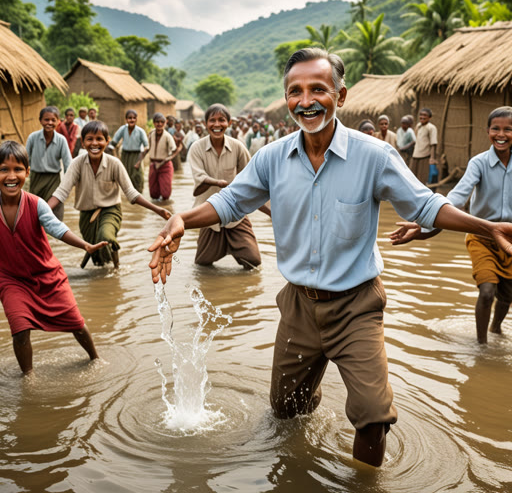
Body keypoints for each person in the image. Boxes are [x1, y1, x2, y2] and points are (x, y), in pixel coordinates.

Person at [148, 48, 512, 467]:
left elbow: (426, 205)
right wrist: (182, 219)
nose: (306, 101)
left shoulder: (373, 155)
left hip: (357, 306)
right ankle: (305, 418)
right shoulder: (271, 157)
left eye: (317, 89)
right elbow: (232, 201)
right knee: (286, 411)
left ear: (340, 95)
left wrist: (488, 227)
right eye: (295, 91)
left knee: (374, 418)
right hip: (299, 307)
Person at [390, 106, 512, 344]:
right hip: (482, 238)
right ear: (487, 131)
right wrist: (424, 224)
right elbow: (456, 198)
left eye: (508, 129)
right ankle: (481, 346)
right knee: (487, 292)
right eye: (496, 128)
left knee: (507, 296)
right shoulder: (479, 163)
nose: (501, 134)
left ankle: (496, 330)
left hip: (510, 240)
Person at [0, 141, 108, 375]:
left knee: (77, 324)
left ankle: (95, 359)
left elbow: (57, 228)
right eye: (3, 169)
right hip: (11, 280)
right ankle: (28, 378)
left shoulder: (36, 204)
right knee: (19, 330)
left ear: (27, 173)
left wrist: (85, 245)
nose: (11, 176)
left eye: (17, 169)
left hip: (48, 276)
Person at [48, 121, 170, 268]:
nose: (94, 143)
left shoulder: (114, 164)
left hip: (111, 211)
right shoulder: (76, 164)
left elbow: (131, 193)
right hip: (86, 215)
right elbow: (62, 192)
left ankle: (116, 269)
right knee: (97, 257)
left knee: (106, 236)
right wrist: (43, 210)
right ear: (83, 142)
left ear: (107, 141)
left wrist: (158, 209)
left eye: (99, 139)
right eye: (90, 139)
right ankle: (108, 271)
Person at [187, 103, 270, 268]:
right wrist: (218, 183)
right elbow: (200, 182)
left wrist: (272, 213)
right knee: (202, 265)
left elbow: (251, 184)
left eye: (221, 120)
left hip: (236, 213)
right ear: (205, 124)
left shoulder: (238, 147)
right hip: (209, 215)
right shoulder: (197, 148)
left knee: (253, 261)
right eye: (212, 121)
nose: (217, 125)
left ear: (229, 123)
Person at [26, 106, 71, 221]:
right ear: (40, 120)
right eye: (46, 120)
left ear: (58, 122)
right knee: (34, 211)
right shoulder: (33, 138)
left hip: (54, 180)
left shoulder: (61, 140)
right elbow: (25, 160)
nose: (49, 123)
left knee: (54, 215)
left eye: (53, 120)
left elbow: (68, 165)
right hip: (36, 179)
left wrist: (67, 186)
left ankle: (52, 238)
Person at [136, 113, 179, 201]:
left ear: (165, 123)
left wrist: (166, 160)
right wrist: (138, 162)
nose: (159, 124)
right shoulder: (151, 134)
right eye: (157, 122)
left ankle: (165, 209)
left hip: (165, 166)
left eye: (162, 122)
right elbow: (147, 149)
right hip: (153, 165)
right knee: (153, 194)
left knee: (165, 194)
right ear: (154, 123)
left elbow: (175, 151)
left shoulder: (168, 136)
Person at [109, 110, 149, 193]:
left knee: (137, 177)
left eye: (134, 118)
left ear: (136, 119)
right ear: (126, 119)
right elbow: (113, 143)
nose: (132, 120)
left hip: (136, 156)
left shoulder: (140, 131)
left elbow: (147, 147)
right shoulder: (123, 129)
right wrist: (116, 157)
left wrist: (139, 162)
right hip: (125, 155)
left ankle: (138, 198)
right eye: (129, 118)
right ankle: (126, 200)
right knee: (124, 177)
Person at [411, 108, 437, 184]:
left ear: (429, 117)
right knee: (413, 177)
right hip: (415, 155)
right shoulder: (418, 126)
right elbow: (416, 140)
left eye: (425, 115)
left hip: (425, 157)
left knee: (421, 179)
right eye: (421, 115)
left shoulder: (431, 128)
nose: (422, 117)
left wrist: (432, 158)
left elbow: (433, 144)